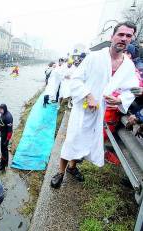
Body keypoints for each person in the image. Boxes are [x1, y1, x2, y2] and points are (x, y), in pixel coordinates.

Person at [50, 21, 139, 189]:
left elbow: (133, 90)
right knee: (73, 139)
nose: (124, 38)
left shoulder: (128, 65)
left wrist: (121, 100)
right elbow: (76, 79)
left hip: (101, 111)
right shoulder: (94, 57)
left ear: (131, 39)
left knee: (86, 141)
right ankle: (60, 172)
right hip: (83, 108)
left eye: (128, 36)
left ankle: (72, 167)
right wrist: (88, 95)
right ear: (112, 36)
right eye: (121, 34)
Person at [0, 104, 13, 171]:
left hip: (6, 136)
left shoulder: (8, 117)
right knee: (3, 150)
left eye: (1, 109)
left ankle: (2, 167)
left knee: (4, 151)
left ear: (4, 109)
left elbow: (10, 131)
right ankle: (4, 162)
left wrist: (7, 140)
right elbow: (1, 124)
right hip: (3, 134)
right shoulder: (2, 115)